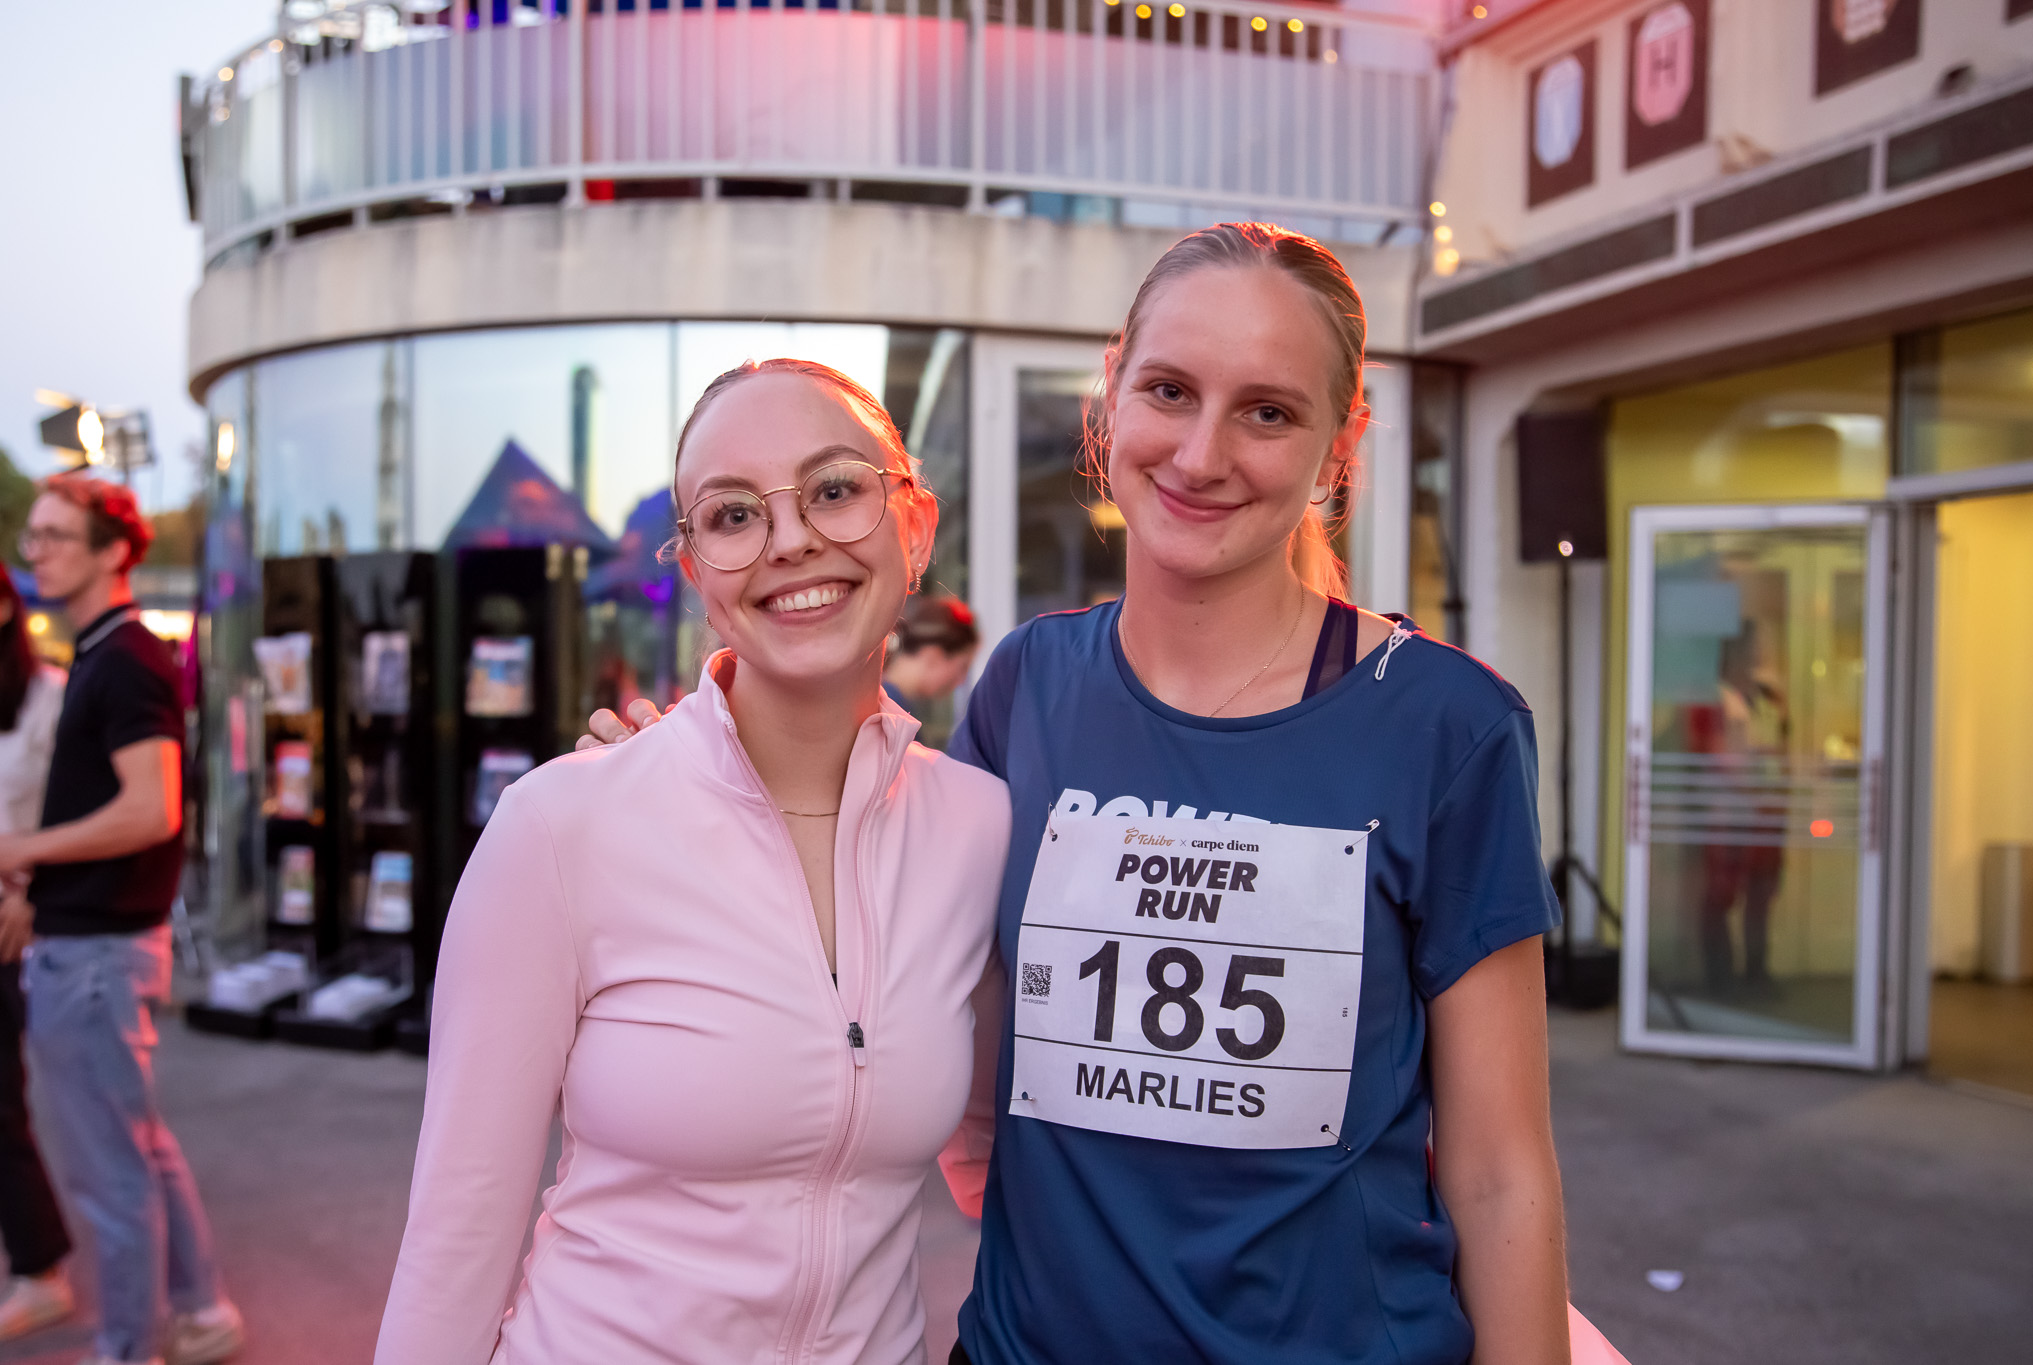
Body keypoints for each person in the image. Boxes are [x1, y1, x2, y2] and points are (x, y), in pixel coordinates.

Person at [591, 225, 1598, 1365]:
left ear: (1340, 443)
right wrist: (686, 774)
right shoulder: (1027, 684)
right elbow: (864, 905)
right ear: (1110, 396)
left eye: (1267, 411)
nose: (1202, 454)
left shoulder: (1447, 725)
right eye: (1169, 391)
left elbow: (1500, 1170)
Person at [374, 359, 1010, 1365]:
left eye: (835, 489)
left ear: (917, 526)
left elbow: (1001, 1170)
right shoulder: (563, 824)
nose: (790, 540)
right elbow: (456, 1233)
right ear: (696, 573)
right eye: (733, 514)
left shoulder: (979, 827)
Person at [0, 476, 242, 1365]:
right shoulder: (108, 651)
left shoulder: (126, 657)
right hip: (94, 947)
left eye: (55, 535)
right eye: (32, 536)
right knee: (135, 1149)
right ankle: (202, 1312)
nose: (37, 552)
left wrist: (21, 847)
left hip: (97, 955)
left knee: (113, 1172)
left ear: (113, 552)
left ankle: (129, 1348)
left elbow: (153, 808)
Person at [0, 569, 75, 1344]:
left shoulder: (50, 697)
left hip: (16, 922)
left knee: (6, 1102)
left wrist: (33, 895)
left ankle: (39, 1268)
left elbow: (81, 814)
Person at [882, 594, 979, 740]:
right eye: (962, 667)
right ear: (933, 655)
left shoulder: (885, 700)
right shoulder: (893, 714)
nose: (961, 680)